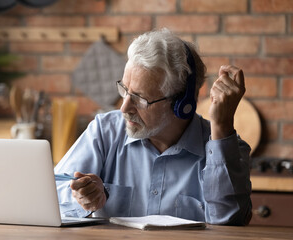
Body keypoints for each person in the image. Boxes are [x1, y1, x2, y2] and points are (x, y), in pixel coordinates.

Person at [54, 28, 252, 225]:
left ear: (182, 104)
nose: (124, 108)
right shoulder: (105, 131)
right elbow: (53, 189)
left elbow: (228, 223)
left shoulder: (227, 148)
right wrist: (79, 195)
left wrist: (222, 125)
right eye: (124, 90)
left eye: (140, 98)